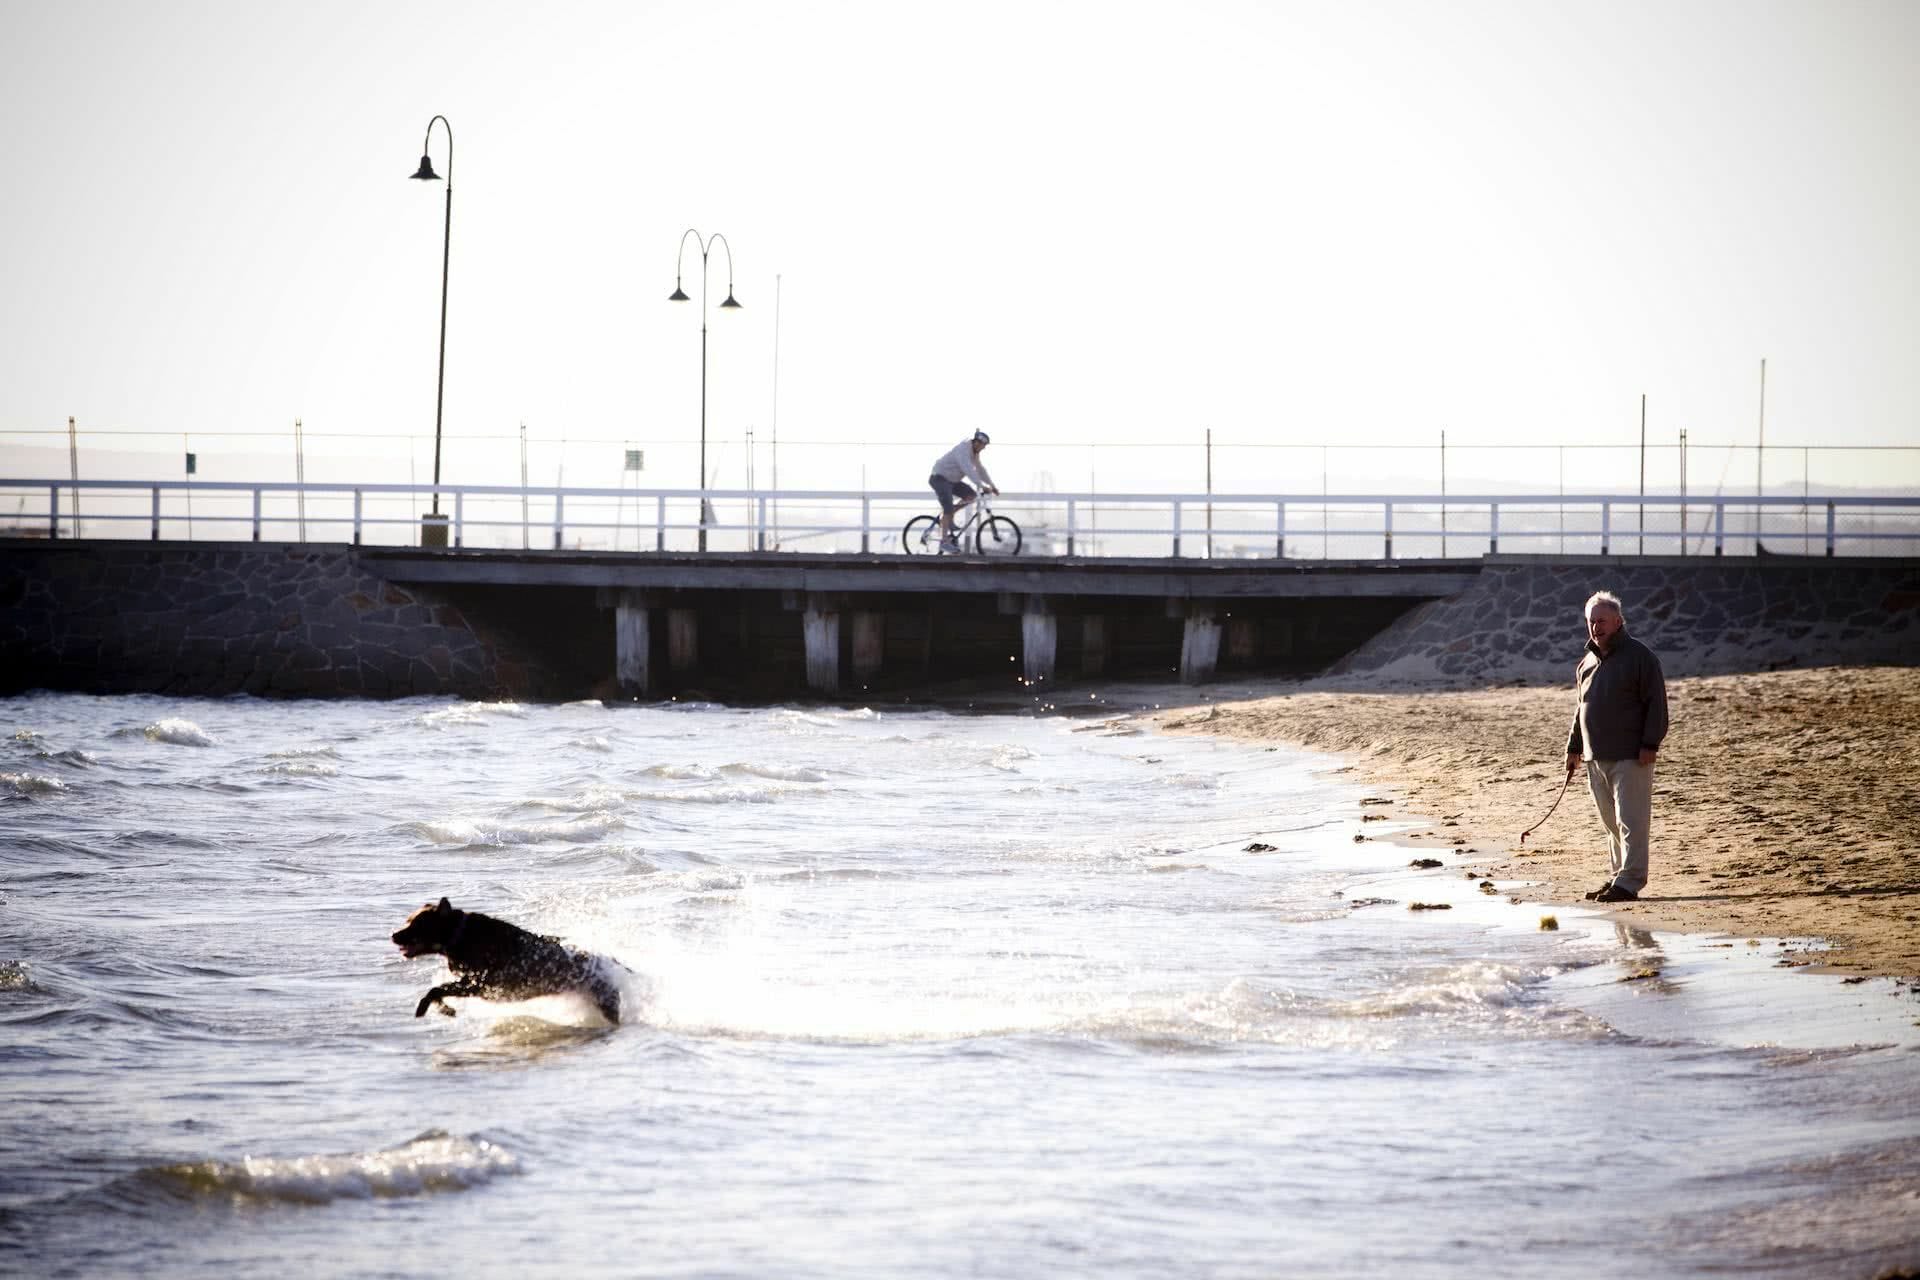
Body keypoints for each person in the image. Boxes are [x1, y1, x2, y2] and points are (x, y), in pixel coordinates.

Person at [1564, 590, 1669, 903]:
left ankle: (1631, 881)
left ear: (1618, 621)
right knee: (1611, 824)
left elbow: (1657, 705)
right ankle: (1618, 877)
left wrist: (1650, 743)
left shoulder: (1640, 657)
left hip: (1631, 755)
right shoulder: (1587, 663)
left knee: (1631, 821)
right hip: (1596, 757)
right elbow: (1581, 707)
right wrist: (1573, 748)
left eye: (1603, 621)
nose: (1596, 627)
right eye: (1592, 621)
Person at [928, 430, 998, 553]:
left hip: (952, 481)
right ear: (977, 442)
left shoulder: (974, 453)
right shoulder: (963, 450)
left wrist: (992, 485)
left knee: (971, 495)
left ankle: (948, 516)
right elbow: (969, 471)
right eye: (983, 446)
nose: (983, 448)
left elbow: (980, 469)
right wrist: (982, 486)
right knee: (948, 508)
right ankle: (944, 542)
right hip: (939, 478)